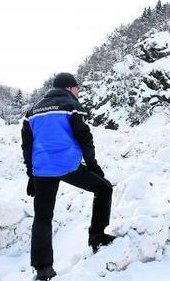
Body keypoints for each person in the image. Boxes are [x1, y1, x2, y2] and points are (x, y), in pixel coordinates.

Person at [21, 72, 116, 280]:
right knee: (104, 188)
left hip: (42, 169)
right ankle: (97, 236)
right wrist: (93, 165)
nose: (78, 92)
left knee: (42, 218)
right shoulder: (71, 106)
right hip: (67, 166)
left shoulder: (32, 111)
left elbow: (27, 145)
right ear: (69, 88)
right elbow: (84, 136)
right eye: (77, 88)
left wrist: (31, 174)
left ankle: (43, 269)